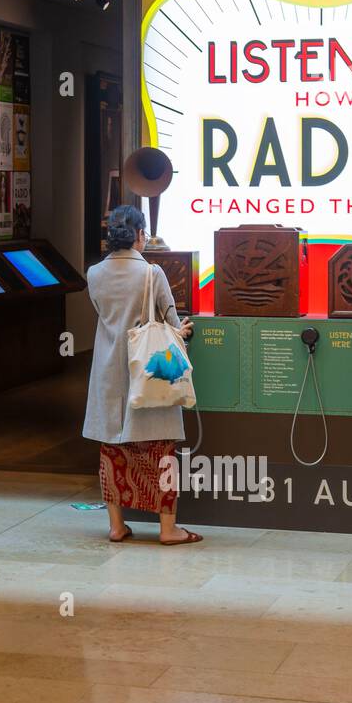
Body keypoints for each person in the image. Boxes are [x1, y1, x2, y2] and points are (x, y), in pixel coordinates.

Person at [82, 205, 200, 546]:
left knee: (113, 451)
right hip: (149, 370)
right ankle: (168, 529)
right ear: (138, 235)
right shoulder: (152, 273)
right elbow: (174, 324)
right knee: (159, 450)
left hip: (108, 371)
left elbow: (105, 316)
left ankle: (117, 526)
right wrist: (184, 330)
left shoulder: (94, 274)